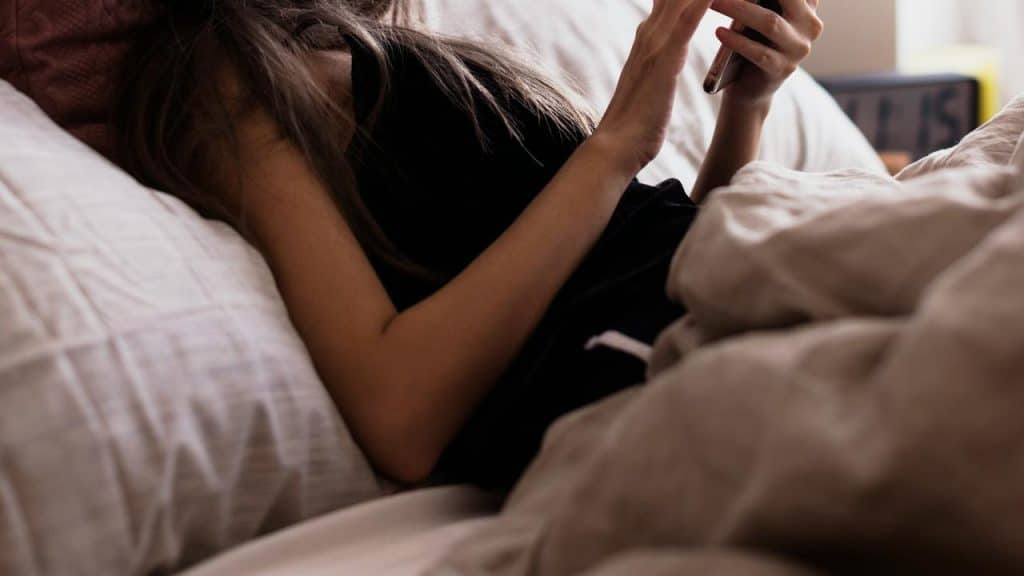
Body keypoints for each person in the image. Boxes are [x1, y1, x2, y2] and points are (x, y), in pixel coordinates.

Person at [114, 0, 823, 488]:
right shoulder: (218, 75)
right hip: (679, 365)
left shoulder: (357, 43)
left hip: (721, 295)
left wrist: (747, 103)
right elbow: (398, 413)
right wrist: (611, 148)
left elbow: (640, 265)